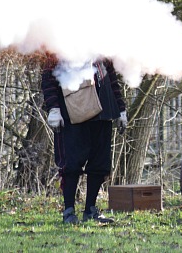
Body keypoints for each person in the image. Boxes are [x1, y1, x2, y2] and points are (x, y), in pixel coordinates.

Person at [42, 54, 128, 225]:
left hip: (103, 111)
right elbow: (48, 79)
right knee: (71, 165)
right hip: (73, 112)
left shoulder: (102, 46)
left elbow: (111, 78)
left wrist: (120, 109)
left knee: (99, 164)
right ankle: (69, 211)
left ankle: (91, 209)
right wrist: (53, 108)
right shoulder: (58, 45)